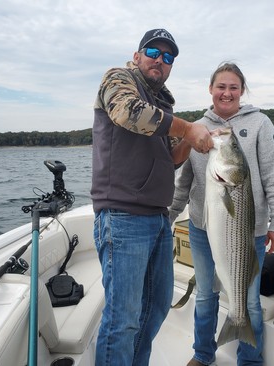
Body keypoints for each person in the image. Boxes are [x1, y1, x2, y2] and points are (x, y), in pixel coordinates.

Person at [90, 28, 213, 366]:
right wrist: (188, 128)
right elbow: (127, 113)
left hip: (159, 219)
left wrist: (191, 138)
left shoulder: (163, 104)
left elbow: (171, 159)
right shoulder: (118, 79)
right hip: (123, 217)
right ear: (137, 55)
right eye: (153, 52)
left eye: (168, 56)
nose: (160, 59)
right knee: (123, 318)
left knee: (155, 309)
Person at [169, 62, 274, 366]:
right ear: (211, 90)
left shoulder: (261, 123)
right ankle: (203, 354)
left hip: (249, 230)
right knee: (206, 296)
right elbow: (184, 180)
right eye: (221, 87)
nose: (227, 93)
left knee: (249, 301)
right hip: (202, 228)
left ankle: (250, 360)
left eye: (233, 87)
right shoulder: (196, 128)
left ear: (242, 91)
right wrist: (169, 216)